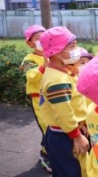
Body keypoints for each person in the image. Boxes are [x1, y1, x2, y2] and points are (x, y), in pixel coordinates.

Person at [38, 26, 89, 176]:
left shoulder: (61, 71)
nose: (77, 49)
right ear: (55, 51)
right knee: (72, 172)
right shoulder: (57, 81)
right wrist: (77, 137)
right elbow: (64, 113)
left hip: (66, 131)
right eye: (72, 46)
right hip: (65, 135)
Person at [20, 24, 52, 172]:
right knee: (47, 127)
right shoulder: (29, 59)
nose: (42, 41)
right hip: (39, 99)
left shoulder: (53, 54)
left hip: (54, 97)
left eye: (44, 38)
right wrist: (44, 65)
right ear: (30, 43)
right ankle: (46, 155)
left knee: (56, 126)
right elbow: (30, 76)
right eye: (38, 39)